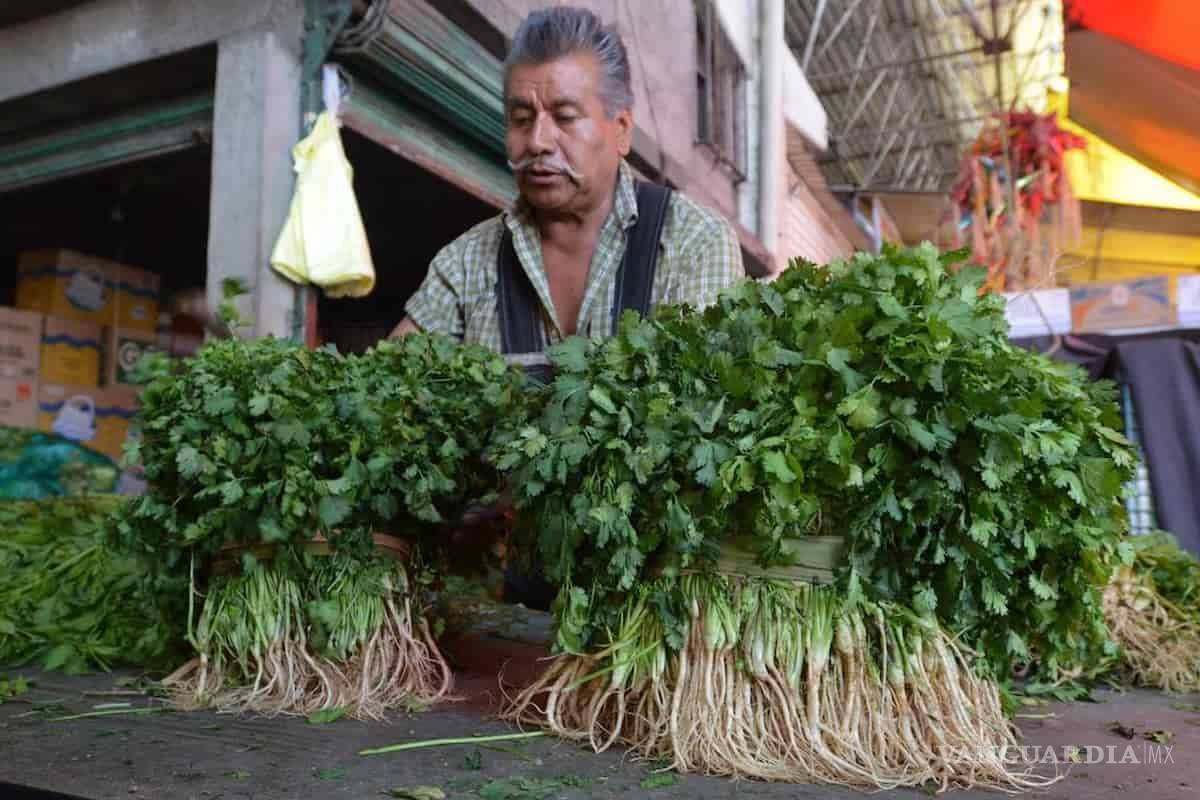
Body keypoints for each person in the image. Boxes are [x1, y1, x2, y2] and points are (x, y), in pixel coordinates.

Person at [390, 5, 745, 378]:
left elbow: (706, 407)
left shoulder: (694, 244)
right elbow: (389, 386)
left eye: (565, 117)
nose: (538, 141)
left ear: (621, 129)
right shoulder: (467, 264)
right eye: (522, 120)